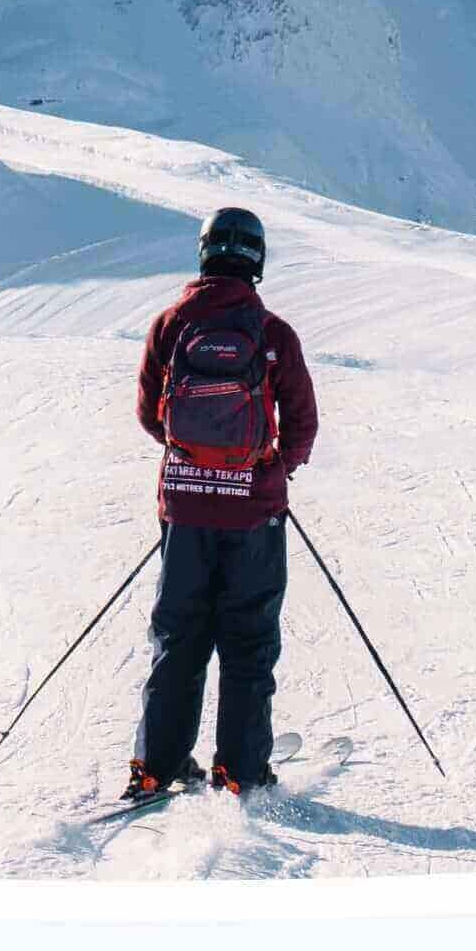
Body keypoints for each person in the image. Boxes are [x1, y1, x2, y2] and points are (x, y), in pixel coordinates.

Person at [124, 205, 319, 802]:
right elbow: (303, 425)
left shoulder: (171, 324)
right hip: (254, 518)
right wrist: (263, 472)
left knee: (178, 639)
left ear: (203, 252)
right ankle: (240, 769)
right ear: (257, 260)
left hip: (184, 514)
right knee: (248, 642)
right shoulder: (274, 334)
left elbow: (147, 414)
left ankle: (156, 767)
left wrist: (195, 464)